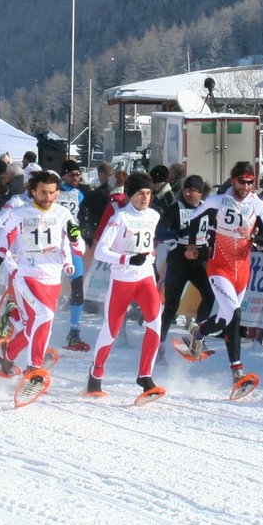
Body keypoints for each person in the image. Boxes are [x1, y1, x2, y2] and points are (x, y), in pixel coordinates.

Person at [0, 169, 82, 405]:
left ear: (58, 193)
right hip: (26, 274)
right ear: (33, 191)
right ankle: (33, 368)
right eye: (43, 193)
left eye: (52, 193)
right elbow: (4, 235)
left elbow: (79, 247)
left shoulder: (63, 214)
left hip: (52, 278)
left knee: (35, 329)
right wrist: (0, 257)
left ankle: (8, 356)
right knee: (44, 315)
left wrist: (74, 237)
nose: (48, 197)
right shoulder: (19, 212)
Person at [178, 161, 263, 394]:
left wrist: (252, 237)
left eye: (251, 182)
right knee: (235, 314)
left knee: (224, 320)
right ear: (234, 180)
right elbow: (193, 218)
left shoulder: (257, 205)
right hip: (219, 267)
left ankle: (198, 334)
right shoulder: (218, 200)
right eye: (243, 181)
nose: (247, 186)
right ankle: (237, 373)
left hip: (242, 270)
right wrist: (193, 244)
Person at [86, 172, 166, 402]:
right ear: (130, 195)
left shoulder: (153, 215)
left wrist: (151, 264)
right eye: (140, 193)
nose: (145, 198)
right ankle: (96, 373)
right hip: (122, 281)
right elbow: (102, 251)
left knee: (155, 322)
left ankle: (145, 376)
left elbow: (148, 244)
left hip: (145, 279)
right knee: (110, 331)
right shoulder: (120, 218)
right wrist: (126, 259)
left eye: (149, 193)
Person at [158, 174, 214, 351]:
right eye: (186, 190)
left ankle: (197, 334)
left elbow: (216, 230)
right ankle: (159, 343)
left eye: (193, 191)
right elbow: (159, 232)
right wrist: (176, 234)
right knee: (172, 304)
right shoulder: (175, 208)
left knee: (209, 295)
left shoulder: (209, 209)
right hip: (179, 259)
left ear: (201, 193)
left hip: (200, 260)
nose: (189, 194)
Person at [56, 161, 92, 350]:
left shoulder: (80, 194)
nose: (76, 178)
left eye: (78, 174)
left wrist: (85, 233)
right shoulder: (53, 191)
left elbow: (79, 217)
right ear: (64, 175)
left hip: (72, 244)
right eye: (72, 175)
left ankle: (74, 331)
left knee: (77, 286)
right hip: (53, 245)